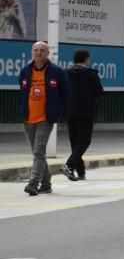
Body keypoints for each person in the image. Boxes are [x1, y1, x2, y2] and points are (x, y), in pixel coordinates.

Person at [18, 42, 70, 196]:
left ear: (48, 54)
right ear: (31, 52)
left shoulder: (57, 72)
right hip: (29, 118)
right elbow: (23, 93)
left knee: (39, 150)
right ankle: (46, 184)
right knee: (37, 153)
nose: (38, 53)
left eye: (42, 50)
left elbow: (66, 94)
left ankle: (33, 183)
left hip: (46, 118)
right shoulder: (25, 71)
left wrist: (60, 114)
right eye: (36, 50)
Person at [61, 49, 104, 181]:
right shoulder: (91, 74)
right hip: (86, 112)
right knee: (84, 141)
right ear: (86, 59)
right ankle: (68, 165)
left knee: (75, 142)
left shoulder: (66, 73)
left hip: (70, 112)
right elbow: (99, 92)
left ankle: (80, 172)